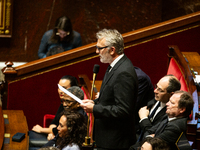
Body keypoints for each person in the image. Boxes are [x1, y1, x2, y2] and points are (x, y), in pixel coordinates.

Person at [81, 29, 138, 150]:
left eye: (100, 48)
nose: (97, 52)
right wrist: (94, 103)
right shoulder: (114, 66)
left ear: (112, 50)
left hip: (116, 141)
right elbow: (111, 100)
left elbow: (123, 109)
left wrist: (95, 108)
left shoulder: (123, 72)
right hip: (108, 138)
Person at [137, 75, 181, 141]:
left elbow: (154, 134)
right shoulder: (155, 99)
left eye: (160, 90)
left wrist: (143, 118)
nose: (155, 91)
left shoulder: (171, 113)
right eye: (156, 87)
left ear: (171, 94)